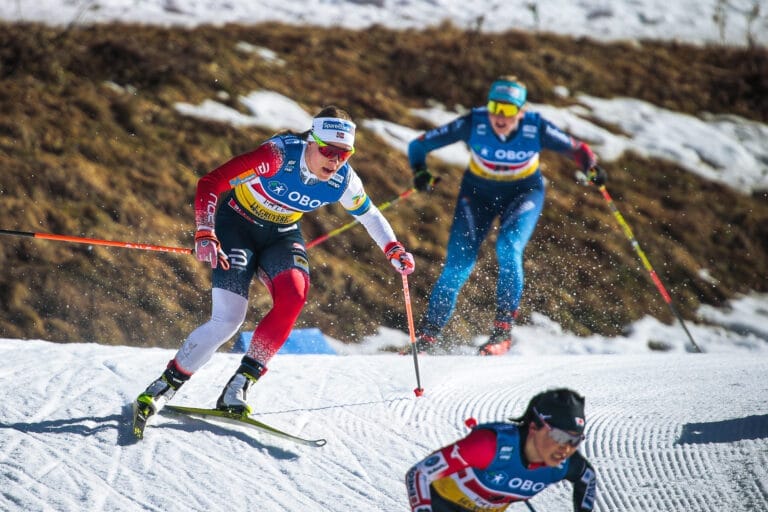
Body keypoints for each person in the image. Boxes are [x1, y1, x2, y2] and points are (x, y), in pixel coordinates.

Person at [133, 106, 415, 425]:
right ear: (311, 141)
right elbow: (210, 182)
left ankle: (238, 387)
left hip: (281, 234)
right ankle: (165, 385)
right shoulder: (276, 157)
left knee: (294, 296)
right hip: (237, 225)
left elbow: (370, 214)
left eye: (344, 154)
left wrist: (393, 248)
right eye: (328, 151)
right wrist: (205, 231)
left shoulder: (344, 181)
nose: (335, 161)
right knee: (229, 319)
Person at [404, 76, 605, 355]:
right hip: (477, 194)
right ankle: (426, 339)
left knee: (508, 248)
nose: (500, 116)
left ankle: (502, 334)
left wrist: (591, 167)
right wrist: (420, 172)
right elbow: (418, 146)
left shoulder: (536, 127)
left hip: (523, 193)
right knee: (457, 265)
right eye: (495, 107)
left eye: (509, 110)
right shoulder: (474, 122)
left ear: (521, 112)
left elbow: (579, 150)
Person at [405, 388, 597, 512]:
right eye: (560, 436)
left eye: (575, 440)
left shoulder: (565, 465)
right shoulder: (489, 446)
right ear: (534, 427)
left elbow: (587, 478)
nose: (567, 448)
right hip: (443, 502)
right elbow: (420, 473)